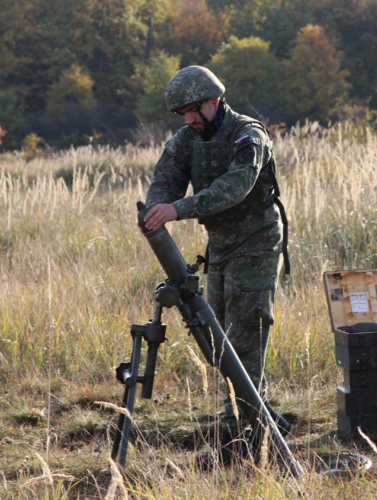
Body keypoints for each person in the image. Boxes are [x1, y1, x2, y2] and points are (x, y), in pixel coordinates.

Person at [143, 66, 290, 461]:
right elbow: (166, 178)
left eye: (193, 110)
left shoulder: (248, 135)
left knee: (246, 328)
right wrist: (155, 209)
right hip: (220, 246)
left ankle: (241, 434)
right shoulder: (187, 140)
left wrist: (178, 209)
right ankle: (253, 417)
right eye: (182, 114)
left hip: (257, 242)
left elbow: (234, 188)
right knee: (217, 337)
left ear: (213, 101)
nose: (189, 119)